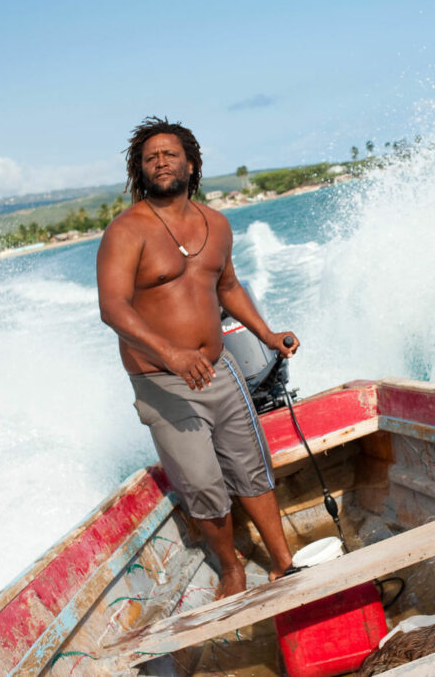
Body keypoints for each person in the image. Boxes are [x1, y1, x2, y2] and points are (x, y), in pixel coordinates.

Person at [96, 116, 298, 599]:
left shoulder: (217, 224)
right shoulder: (126, 231)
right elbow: (113, 308)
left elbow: (227, 288)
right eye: (151, 158)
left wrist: (269, 336)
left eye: (169, 154)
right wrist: (171, 353)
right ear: (139, 170)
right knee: (203, 484)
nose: (161, 162)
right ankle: (231, 569)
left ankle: (285, 561)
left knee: (251, 467)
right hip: (162, 380)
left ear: (191, 162)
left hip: (220, 370)